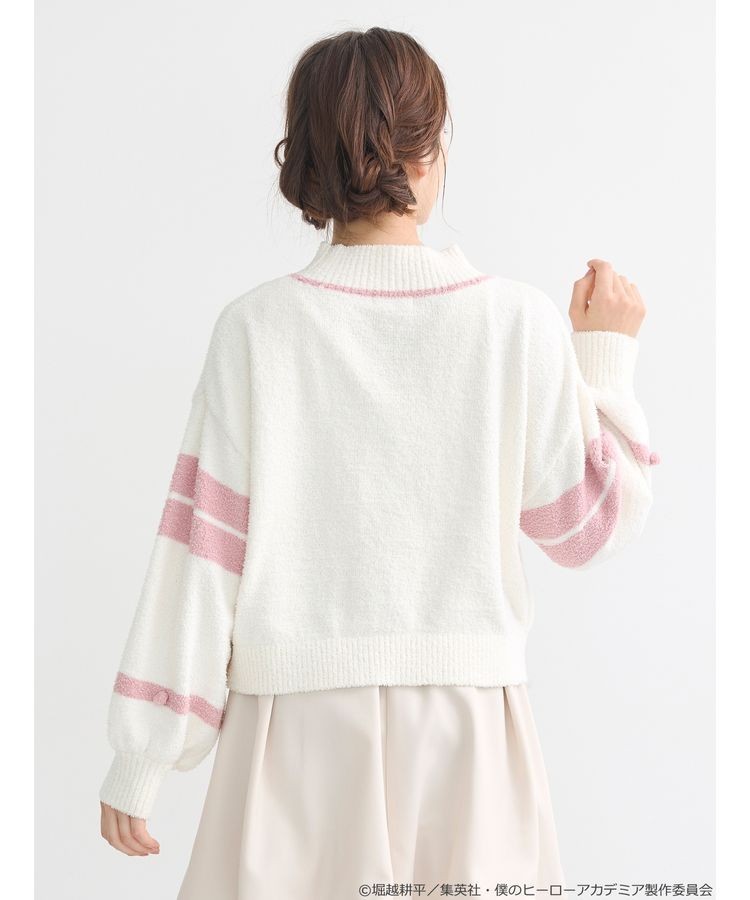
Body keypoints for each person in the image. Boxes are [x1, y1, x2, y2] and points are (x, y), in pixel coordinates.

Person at [98, 26, 660, 898]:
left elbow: (202, 556)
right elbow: (590, 529)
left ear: (306, 161)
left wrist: (145, 753)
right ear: (432, 152)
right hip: (469, 737)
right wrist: (605, 362)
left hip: (293, 735)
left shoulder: (258, 328)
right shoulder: (516, 324)